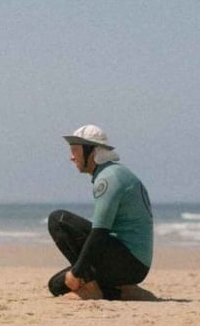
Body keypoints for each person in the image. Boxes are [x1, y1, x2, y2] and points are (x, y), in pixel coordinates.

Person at [47, 125, 154, 300]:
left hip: (128, 262)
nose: (71, 157)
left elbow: (99, 233)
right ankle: (124, 292)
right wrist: (77, 272)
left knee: (58, 220)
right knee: (56, 285)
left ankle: (91, 288)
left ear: (92, 151)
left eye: (75, 150)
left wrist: (77, 274)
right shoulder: (113, 172)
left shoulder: (109, 178)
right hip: (133, 264)